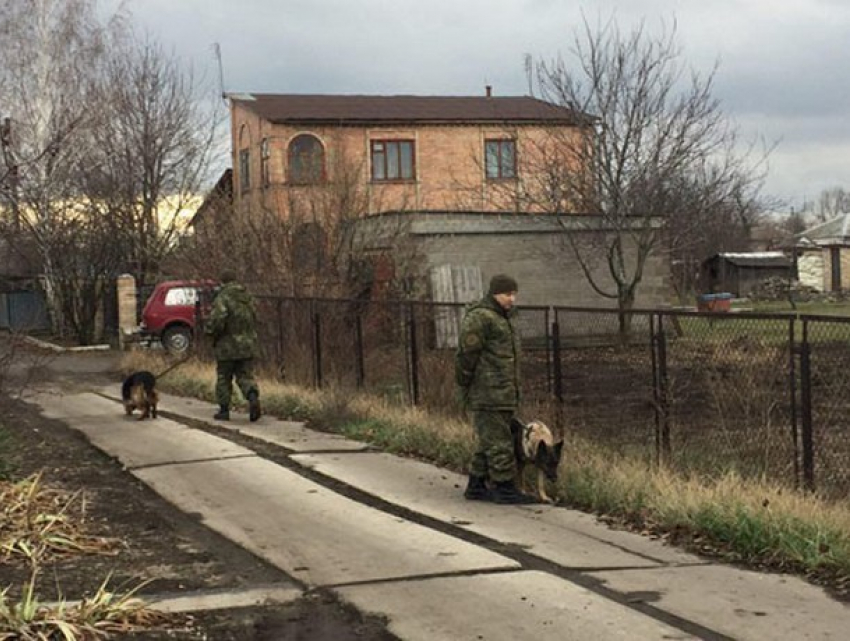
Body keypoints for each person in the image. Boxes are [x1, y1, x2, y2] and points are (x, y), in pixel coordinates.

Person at [455, 273, 535, 504]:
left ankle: (476, 486)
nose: (512, 299)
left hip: (504, 391)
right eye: (507, 294)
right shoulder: (481, 317)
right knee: (500, 442)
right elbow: (466, 354)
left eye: (514, 294)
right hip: (488, 392)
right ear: (495, 293)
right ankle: (504, 487)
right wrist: (465, 382)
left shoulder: (505, 318)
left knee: (489, 440)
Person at [205, 270, 261, 422]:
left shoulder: (223, 298)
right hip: (248, 344)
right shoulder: (247, 297)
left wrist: (210, 332)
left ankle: (224, 410)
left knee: (224, 377)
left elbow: (218, 320)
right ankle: (252, 397)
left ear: (223, 282)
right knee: (245, 375)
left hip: (227, 345)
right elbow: (256, 316)